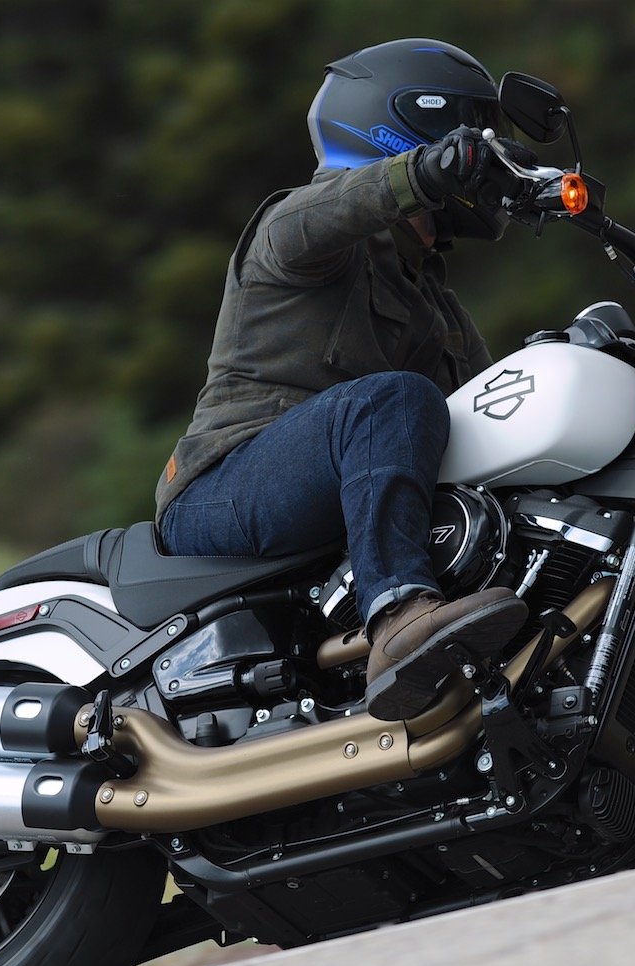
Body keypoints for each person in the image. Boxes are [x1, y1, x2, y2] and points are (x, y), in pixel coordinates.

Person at [155, 39, 533, 721]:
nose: (487, 151)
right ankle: (395, 618)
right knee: (394, 398)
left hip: (309, 496)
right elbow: (322, 216)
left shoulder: (431, 298)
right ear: (414, 126)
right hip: (223, 485)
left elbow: (488, 407)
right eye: (473, 133)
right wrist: (420, 173)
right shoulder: (301, 222)